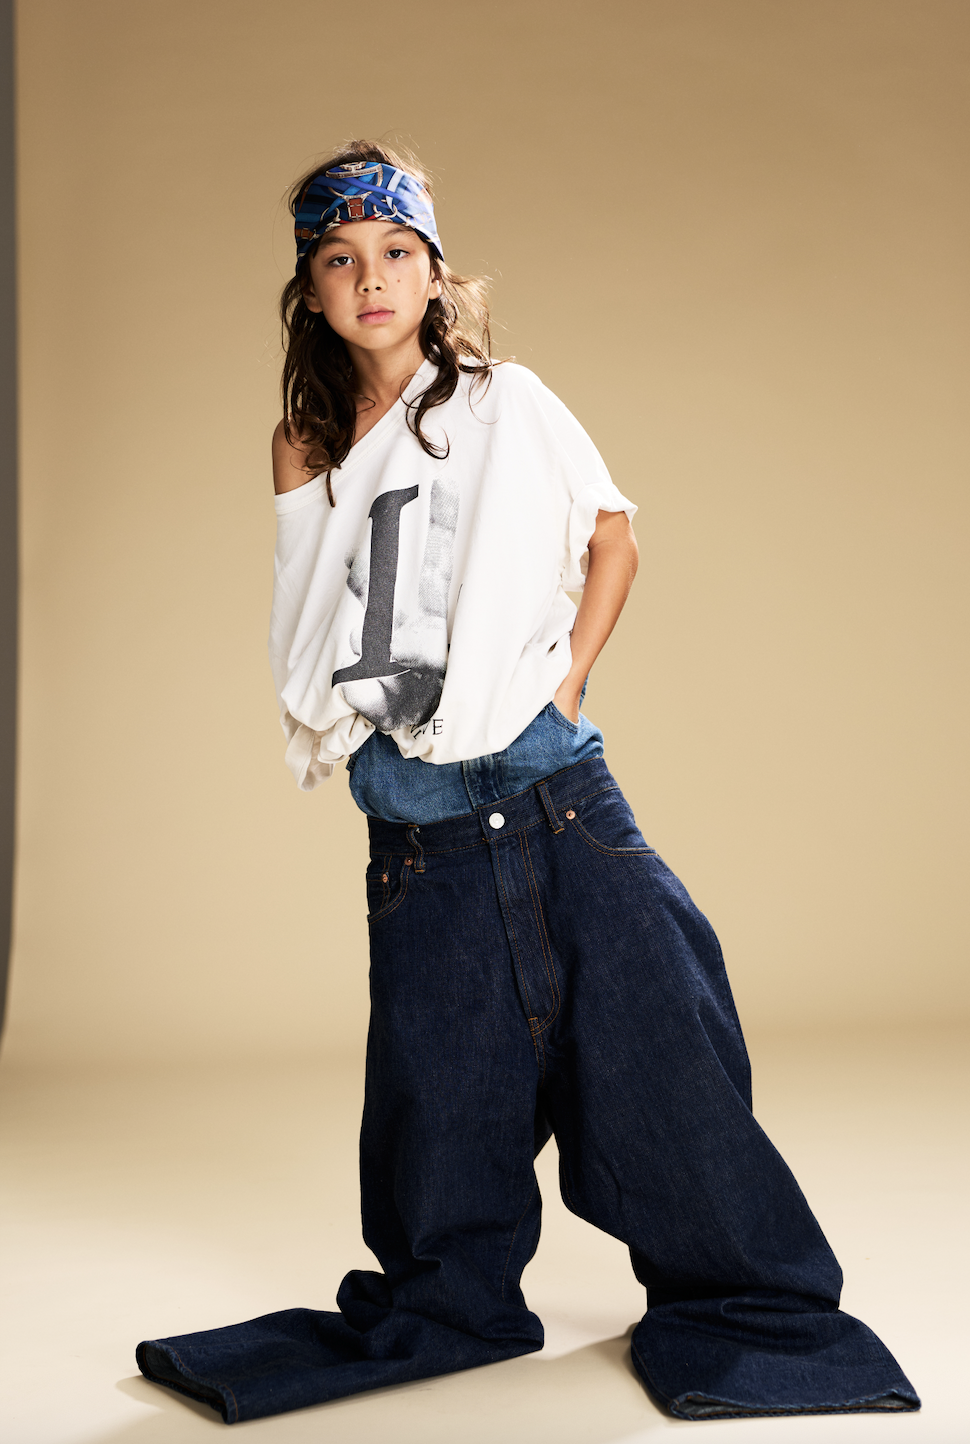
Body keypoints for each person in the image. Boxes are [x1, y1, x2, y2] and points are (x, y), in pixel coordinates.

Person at [136, 142, 919, 1425]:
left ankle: (745, 1301)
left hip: (559, 805)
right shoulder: (302, 442)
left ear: (435, 275)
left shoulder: (509, 400)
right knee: (439, 1119)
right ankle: (455, 1303)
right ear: (312, 293)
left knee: (668, 1057)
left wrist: (565, 682)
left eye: (395, 254)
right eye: (339, 261)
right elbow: (308, 619)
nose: (369, 279)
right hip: (422, 843)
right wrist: (353, 737)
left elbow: (609, 535)